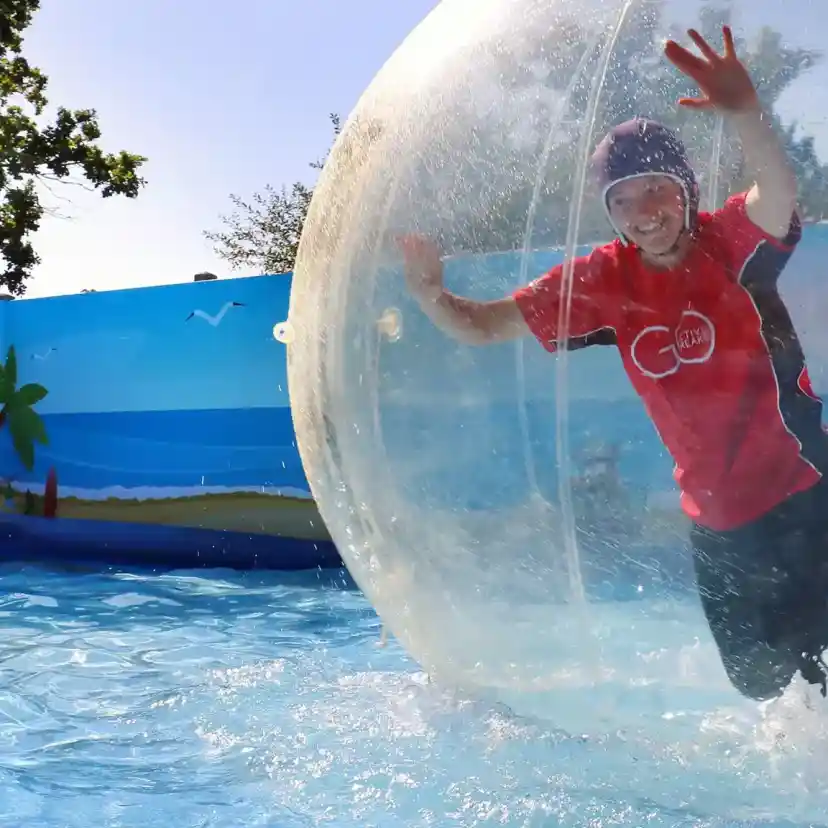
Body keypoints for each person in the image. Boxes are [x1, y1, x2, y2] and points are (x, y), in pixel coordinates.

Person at [399, 26, 828, 702]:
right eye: (622, 199)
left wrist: (744, 111)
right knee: (764, 693)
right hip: (716, 522)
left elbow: (775, 192)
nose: (643, 212)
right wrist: (431, 295)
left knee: (822, 674)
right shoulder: (602, 281)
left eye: (656, 189)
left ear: (684, 190)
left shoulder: (728, 243)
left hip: (804, 496)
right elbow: (482, 328)